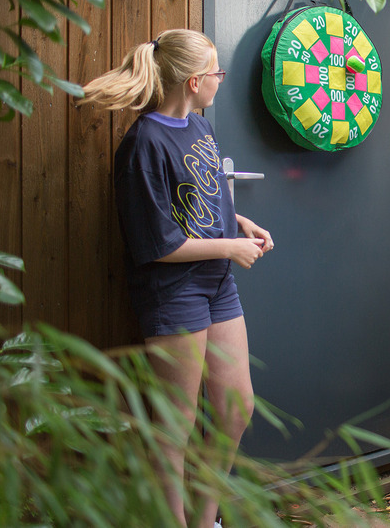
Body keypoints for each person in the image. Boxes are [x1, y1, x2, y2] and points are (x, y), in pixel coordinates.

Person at [81, 29, 272, 528]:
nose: (219, 81)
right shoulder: (143, 143)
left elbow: (210, 200)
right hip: (173, 292)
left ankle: (205, 518)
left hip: (217, 285)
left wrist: (241, 227)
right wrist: (230, 247)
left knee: (236, 408)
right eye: (215, 73)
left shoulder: (201, 128)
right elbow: (157, 245)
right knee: (175, 425)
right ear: (193, 81)